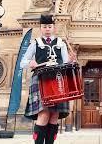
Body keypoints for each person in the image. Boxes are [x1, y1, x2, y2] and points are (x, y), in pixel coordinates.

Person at [20, 14, 70, 144]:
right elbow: (22, 62)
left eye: (49, 26)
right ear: (41, 28)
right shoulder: (35, 43)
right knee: (44, 113)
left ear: (53, 27)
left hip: (58, 81)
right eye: (44, 26)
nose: (47, 29)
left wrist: (70, 61)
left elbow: (65, 63)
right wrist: (30, 63)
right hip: (41, 80)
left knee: (55, 115)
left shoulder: (61, 44)